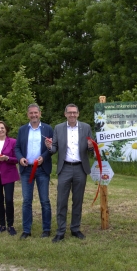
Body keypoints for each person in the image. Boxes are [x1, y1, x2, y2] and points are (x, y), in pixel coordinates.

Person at [45, 103, 93, 243]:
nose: (72, 115)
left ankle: (75, 229)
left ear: (78, 114)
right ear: (65, 114)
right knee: (61, 201)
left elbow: (91, 148)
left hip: (80, 168)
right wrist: (49, 146)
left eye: (74, 113)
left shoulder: (86, 127)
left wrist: (91, 146)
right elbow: (54, 149)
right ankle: (60, 231)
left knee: (77, 200)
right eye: (69, 113)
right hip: (64, 168)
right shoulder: (59, 128)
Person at [15, 103, 53, 239]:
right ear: (28, 115)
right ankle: (26, 230)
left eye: (35, 113)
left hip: (42, 169)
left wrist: (44, 156)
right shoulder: (22, 130)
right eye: (31, 113)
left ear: (40, 113)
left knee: (45, 201)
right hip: (26, 170)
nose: (33, 115)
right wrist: (20, 158)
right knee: (26, 201)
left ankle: (47, 229)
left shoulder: (48, 129)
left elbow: (52, 148)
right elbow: (17, 147)